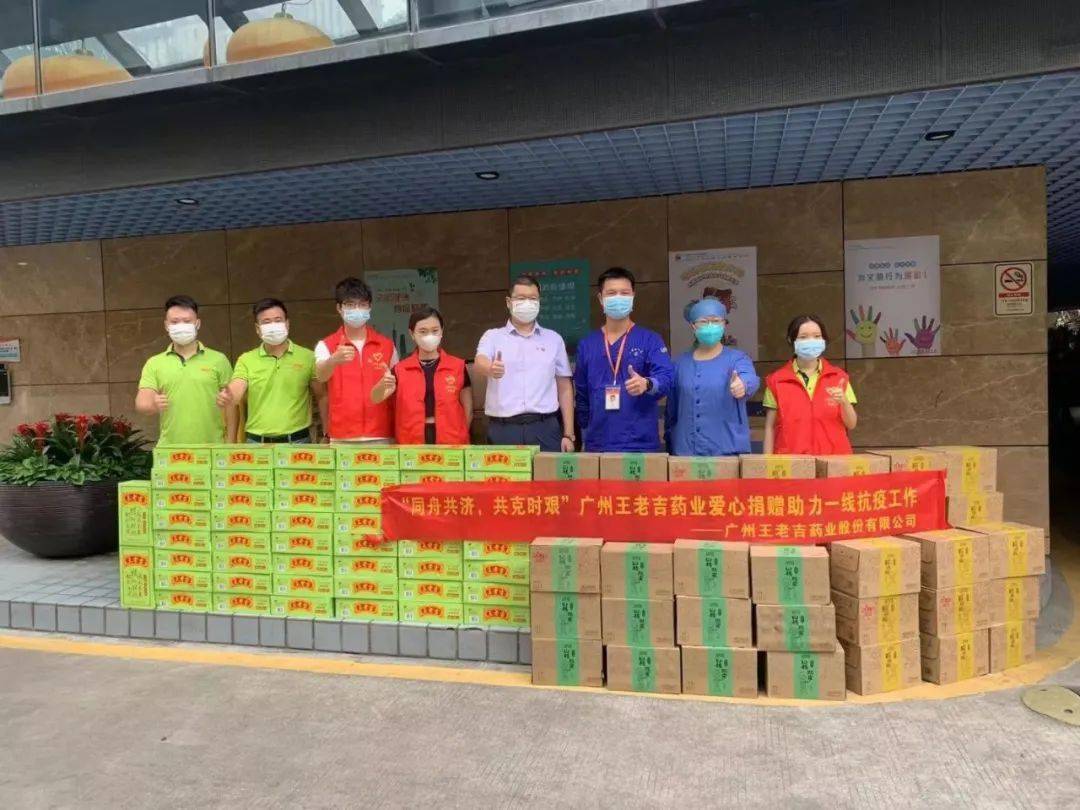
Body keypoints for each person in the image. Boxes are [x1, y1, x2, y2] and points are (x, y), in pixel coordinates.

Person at [573, 267, 674, 452]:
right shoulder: (587, 344)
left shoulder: (650, 340)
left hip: (640, 443)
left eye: (624, 293)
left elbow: (667, 378)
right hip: (598, 444)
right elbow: (581, 394)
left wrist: (647, 384)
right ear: (600, 299)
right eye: (611, 293)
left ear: (633, 296)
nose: (618, 298)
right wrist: (585, 430)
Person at [473, 274, 575, 452]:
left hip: (545, 427)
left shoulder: (553, 339)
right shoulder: (493, 336)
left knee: (547, 472)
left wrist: (568, 434)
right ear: (508, 302)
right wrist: (490, 369)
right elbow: (479, 362)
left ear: (539, 302)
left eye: (533, 298)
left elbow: (564, 387)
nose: (527, 303)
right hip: (504, 429)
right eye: (521, 298)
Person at [217, 298, 327, 444]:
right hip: (257, 443)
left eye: (278, 320)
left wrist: (327, 433)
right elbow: (238, 386)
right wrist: (229, 395)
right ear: (258, 328)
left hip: (298, 441)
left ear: (287, 324)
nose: (273, 326)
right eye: (266, 322)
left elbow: (322, 396)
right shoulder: (246, 359)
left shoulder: (308, 357)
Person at [135, 295, 235, 445]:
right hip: (170, 448)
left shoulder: (219, 360)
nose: (181, 326)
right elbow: (142, 402)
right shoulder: (154, 363)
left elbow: (231, 404)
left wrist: (231, 443)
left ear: (197, 323)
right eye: (175, 322)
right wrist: (152, 404)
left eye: (187, 321)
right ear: (166, 325)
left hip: (213, 447)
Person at [665, 297, 759, 456]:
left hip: (727, 452)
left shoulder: (737, 359)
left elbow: (749, 377)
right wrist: (669, 439)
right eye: (703, 321)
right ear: (693, 326)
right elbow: (671, 409)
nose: (710, 325)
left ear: (724, 324)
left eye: (716, 321)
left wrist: (743, 385)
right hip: (686, 452)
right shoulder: (680, 364)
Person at [371, 306, 472, 445]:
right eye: (423, 331)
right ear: (412, 334)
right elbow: (375, 398)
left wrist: (460, 434)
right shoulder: (400, 370)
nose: (429, 336)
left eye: (435, 330)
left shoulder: (458, 366)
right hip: (411, 441)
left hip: (451, 440)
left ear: (442, 331)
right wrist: (383, 385)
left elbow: (468, 410)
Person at [314, 277, 398, 444]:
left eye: (362, 304)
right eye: (350, 305)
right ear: (339, 308)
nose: (357, 310)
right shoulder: (326, 345)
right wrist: (333, 360)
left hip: (380, 433)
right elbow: (321, 376)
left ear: (370, 307)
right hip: (342, 435)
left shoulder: (386, 345)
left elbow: (396, 385)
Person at [763, 314, 857, 454]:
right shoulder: (776, 381)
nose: (811, 341)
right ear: (791, 340)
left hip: (834, 460)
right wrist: (767, 462)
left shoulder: (839, 377)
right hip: (792, 461)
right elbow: (769, 427)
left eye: (817, 336)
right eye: (803, 337)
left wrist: (844, 401)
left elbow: (851, 424)